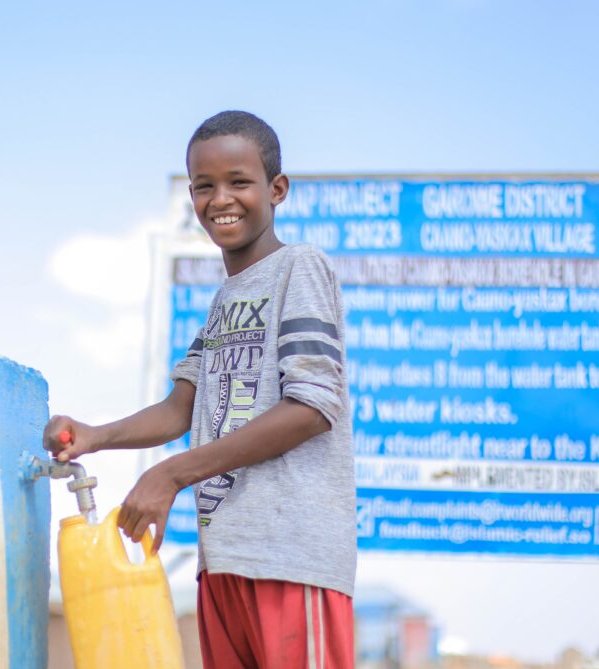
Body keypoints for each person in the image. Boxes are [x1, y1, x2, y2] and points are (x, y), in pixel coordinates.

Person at [43, 110, 355, 669]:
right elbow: (178, 408)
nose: (221, 199)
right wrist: (94, 436)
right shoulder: (222, 307)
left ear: (276, 189)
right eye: (204, 186)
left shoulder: (299, 268)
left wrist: (172, 473)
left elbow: (311, 406)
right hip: (225, 556)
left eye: (239, 181)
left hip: (290, 556)